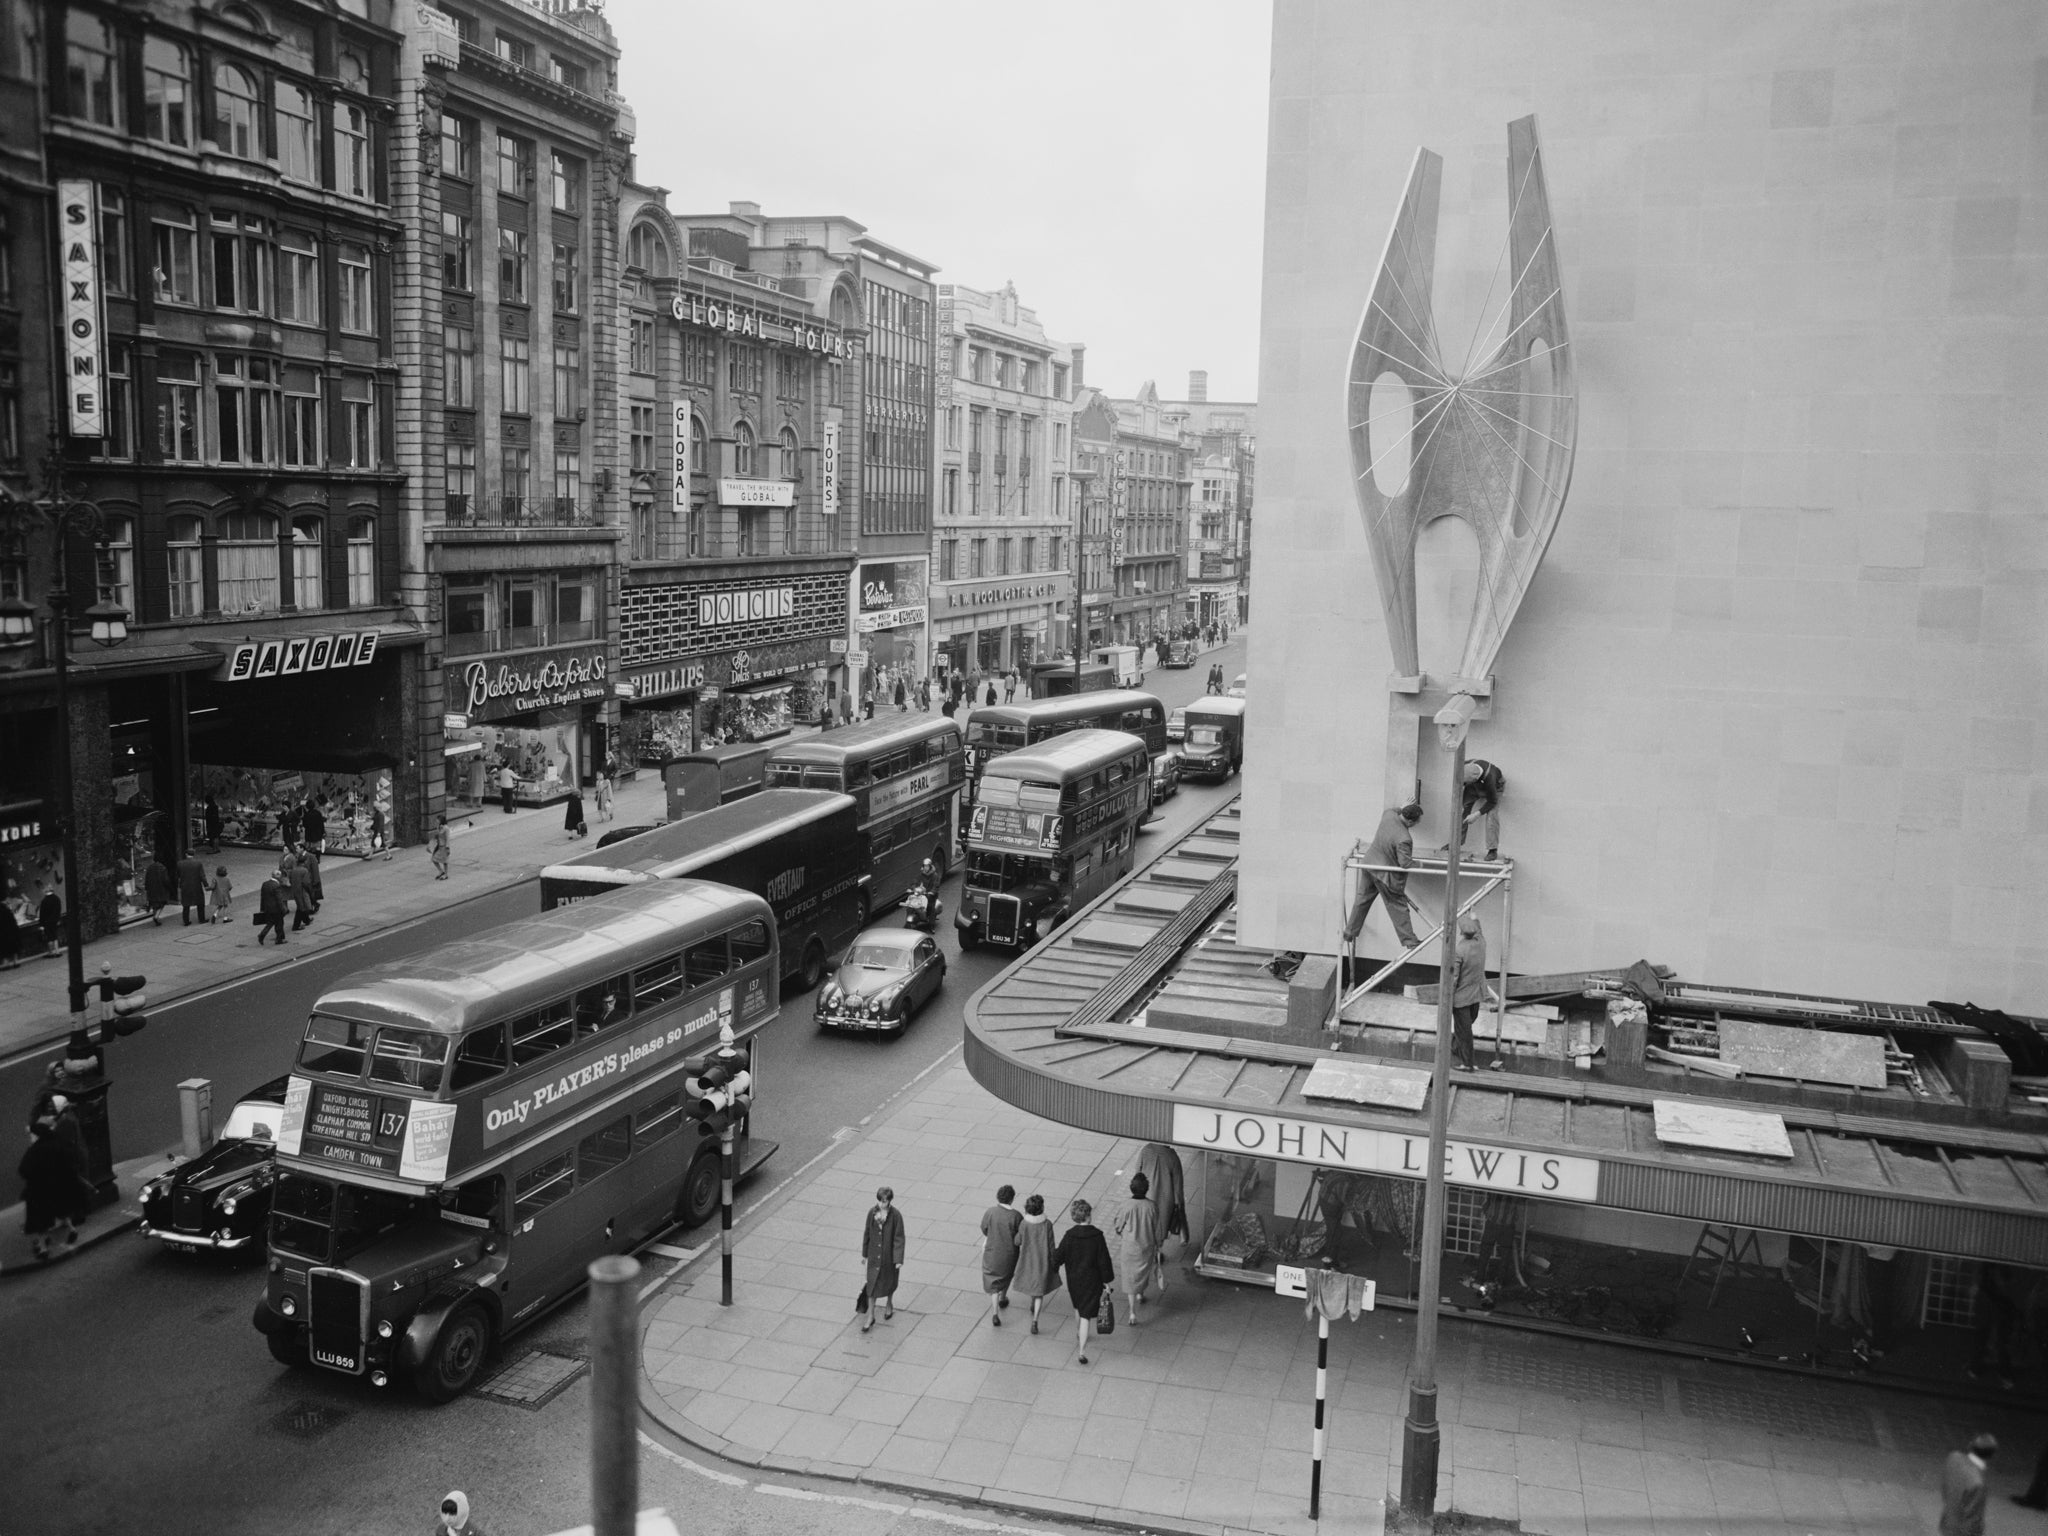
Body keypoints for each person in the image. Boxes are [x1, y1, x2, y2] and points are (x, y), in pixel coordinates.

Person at [1344, 804, 1424, 955]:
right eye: (1417, 822)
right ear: (1410, 822)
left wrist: (1404, 803)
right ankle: (1409, 941)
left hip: (1369, 865)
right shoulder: (1404, 838)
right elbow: (1405, 863)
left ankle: (1349, 932)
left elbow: (1394, 808)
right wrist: (1420, 864)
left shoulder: (1389, 815)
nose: (1416, 824)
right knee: (1397, 906)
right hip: (1385, 875)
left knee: (1362, 900)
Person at [18, 1112, 90, 1261]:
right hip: (59, 1187)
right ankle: (72, 1229)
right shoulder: (58, 1143)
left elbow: (24, 1170)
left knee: (41, 1222)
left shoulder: (35, 1150)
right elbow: (69, 1163)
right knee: (62, 1211)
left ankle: (43, 1249)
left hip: (40, 1190)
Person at [1052, 1198, 1114, 1365]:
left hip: (1074, 1279)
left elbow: (1058, 1257)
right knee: (1086, 1314)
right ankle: (1081, 1351)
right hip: (1092, 1281)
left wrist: (1053, 1268)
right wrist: (1107, 1281)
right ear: (1088, 1215)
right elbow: (1104, 1261)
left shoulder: (1069, 1236)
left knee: (1078, 1307)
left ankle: (1079, 1332)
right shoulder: (1097, 1236)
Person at [1450, 912, 1504, 1071]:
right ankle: (1458, 1049)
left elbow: (1453, 979)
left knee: (1464, 1031)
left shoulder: (1459, 950)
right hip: (1476, 995)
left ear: (1461, 932)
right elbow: (1479, 928)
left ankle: (1467, 1064)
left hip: (1461, 999)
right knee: (1465, 1027)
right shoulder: (1481, 942)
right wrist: (1473, 916)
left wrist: (1448, 999)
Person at [1113, 1171, 1163, 1326]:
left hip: (1129, 1248)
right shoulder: (1152, 1206)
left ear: (1131, 1188)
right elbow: (1157, 1229)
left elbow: (1118, 1226)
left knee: (1130, 1279)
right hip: (1146, 1246)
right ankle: (1141, 1293)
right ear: (1147, 1189)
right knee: (1143, 1272)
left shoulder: (1126, 1206)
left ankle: (1132, 1312)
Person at [1439, 759, 1506, 862]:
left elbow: (1492, 802)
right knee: (1462, 810)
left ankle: (1492, 850)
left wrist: (1476, 814)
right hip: (1474, 786)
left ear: (1473, 779)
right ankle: (1456, 843)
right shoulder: (1465, 765)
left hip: (1495, 788)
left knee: (1492, 815)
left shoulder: (1490, 778)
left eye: (1465, 783)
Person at [860, 1186, 905, 1333]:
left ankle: (889, 1303)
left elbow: (899, 1238)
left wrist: (898, 1259)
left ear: (889, 1201)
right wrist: (865, 1254)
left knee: (889, 1283)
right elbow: (867, 1233)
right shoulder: (871, 1213)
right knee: (871, 1287)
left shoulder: (896, 1216)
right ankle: (871, 1316)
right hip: (874, 1257)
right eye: (880, 1201)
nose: (881, 1204)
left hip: (888, 1258)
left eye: (884, 1201)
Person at [1012, 1193, 1059, 1333]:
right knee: (1039, 1292)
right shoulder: (1047, 1224)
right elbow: (1051, 1245)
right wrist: (1054, 1261)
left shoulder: (1024, 1223)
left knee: (1033, 1283)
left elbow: (1017, 1241)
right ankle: (1035, 1320)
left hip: (1027, 1260)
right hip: (1042, 1261)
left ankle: (1032, 1303)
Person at [979, 1184, 1022, 1327]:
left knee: (993, 1283)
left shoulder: (990, 1212)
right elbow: (1020, 1235)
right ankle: (1003, 1297)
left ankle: (995, 1313)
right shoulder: (1016, 1215)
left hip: (992, 1252)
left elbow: (984, 1228)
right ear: (1011, 1199)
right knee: (1007, 1275)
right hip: (1009, 1254)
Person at [1941, 1433, 1996, 1536]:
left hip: (1947, 1521)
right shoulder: (1977, 1484)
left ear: (1970, 1446)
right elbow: (1973, 1519)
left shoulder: (1953, 1457)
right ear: (1991, 1456)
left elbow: (1946, 1488)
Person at [283, 854, 315, 933]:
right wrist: (310, 891)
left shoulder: (293, 870)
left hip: (295, 891)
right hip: (302, 891)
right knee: (302, 907)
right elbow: (306, 883)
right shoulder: (304, 870)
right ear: (304, 862)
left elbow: (289, 880)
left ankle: (306, 920)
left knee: (301, 905)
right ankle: (296, 925)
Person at [176, 851, 208, 926]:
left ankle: (186, 921)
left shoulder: (180, 863)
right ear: (193, 855)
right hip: (196, 885)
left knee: (186, 904)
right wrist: (206, 885)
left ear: (186, 854)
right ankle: (201, 919)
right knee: (200, 903)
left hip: (185, 886)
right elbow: (202, 876)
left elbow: (178, 875)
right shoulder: (198, 863)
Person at [255, 872, 287, 945]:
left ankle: (262, 935)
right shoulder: (276, 886)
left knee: (270, 922)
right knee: (279, 924)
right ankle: (279, 939)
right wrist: (284, 909)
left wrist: (262, 908)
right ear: (278, 877)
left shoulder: (265, 884)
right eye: (280, 876)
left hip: (268, 908)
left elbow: (262, 897)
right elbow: (279, 899)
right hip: (276, 908)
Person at [142, 856, 172, 926]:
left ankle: (155, 915)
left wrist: (147, 888)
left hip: (151, 889)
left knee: (154, 903)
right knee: (162, 903)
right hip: (161, 889)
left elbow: (147, 879)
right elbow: (165, 880)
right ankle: (156, 916)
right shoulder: (162, 868)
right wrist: (169, 887)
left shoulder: (149, 868)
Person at [38, 890, 62, 957]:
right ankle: (57, 951)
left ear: (45, 893)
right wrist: (58, 919)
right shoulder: (57, 898)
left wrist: (41, 924)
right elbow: (59, 910)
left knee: (49, 937)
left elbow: (42, 914)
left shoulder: (44, 901)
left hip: (47, 922)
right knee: (55, 935)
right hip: (55, 921)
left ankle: (51, 952)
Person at [0, 898, 19, 969]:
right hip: (11, 931)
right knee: (14, 946)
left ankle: (6, 963)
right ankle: (15, 961)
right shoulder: (8, 911)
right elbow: (13, 921)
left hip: (2, 933)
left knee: (3, 948)